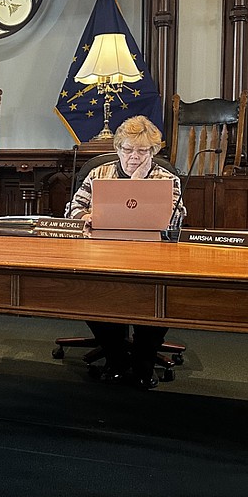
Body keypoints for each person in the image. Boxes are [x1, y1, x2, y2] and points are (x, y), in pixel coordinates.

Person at [64, 115, 186, 389]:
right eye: (127, 150)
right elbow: (71, 210)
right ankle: (116, 358)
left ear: (153, 151)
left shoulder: (166, 178)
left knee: (156, 299)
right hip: (103, 253)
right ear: (117, 149)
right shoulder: (99, 173)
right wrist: (86, 215)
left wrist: (139, 183)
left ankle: (143, 362)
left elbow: (176, 221)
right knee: (91, 293)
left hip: (151, 256)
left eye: (142, 151)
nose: (133, 156)